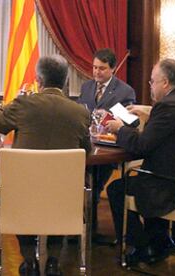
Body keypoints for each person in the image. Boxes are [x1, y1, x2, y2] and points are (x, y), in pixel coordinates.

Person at [0, 55, 91, 276]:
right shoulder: (80, 112)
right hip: (64, 195)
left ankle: (29, 260)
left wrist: (10, 103)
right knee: (59, 199)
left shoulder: (24, 104)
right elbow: (87, 151)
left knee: (20, 194)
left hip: (23, 194)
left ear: (38, 79)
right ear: (65, 81)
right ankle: (53, 261)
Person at [105, 59, 175, 265]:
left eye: (152, 81)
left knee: (117, 189)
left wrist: (119, 129)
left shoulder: (168, 106)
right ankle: (160, 240)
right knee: (142, 177)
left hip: (169, 185)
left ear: (166, 83)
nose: (150, 86)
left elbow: (142, 145)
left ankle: (144, 246)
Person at [78, 48, 136, 242]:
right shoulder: (86, 87)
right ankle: (79, 226)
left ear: (112, 69)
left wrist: (110, 116)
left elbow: (130, 120)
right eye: (94, 68)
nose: (96, 72)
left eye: (101, 69)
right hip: (86, 143)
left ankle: (92, 229)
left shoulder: (125, 91)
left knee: (95, 182)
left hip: (109, 146)